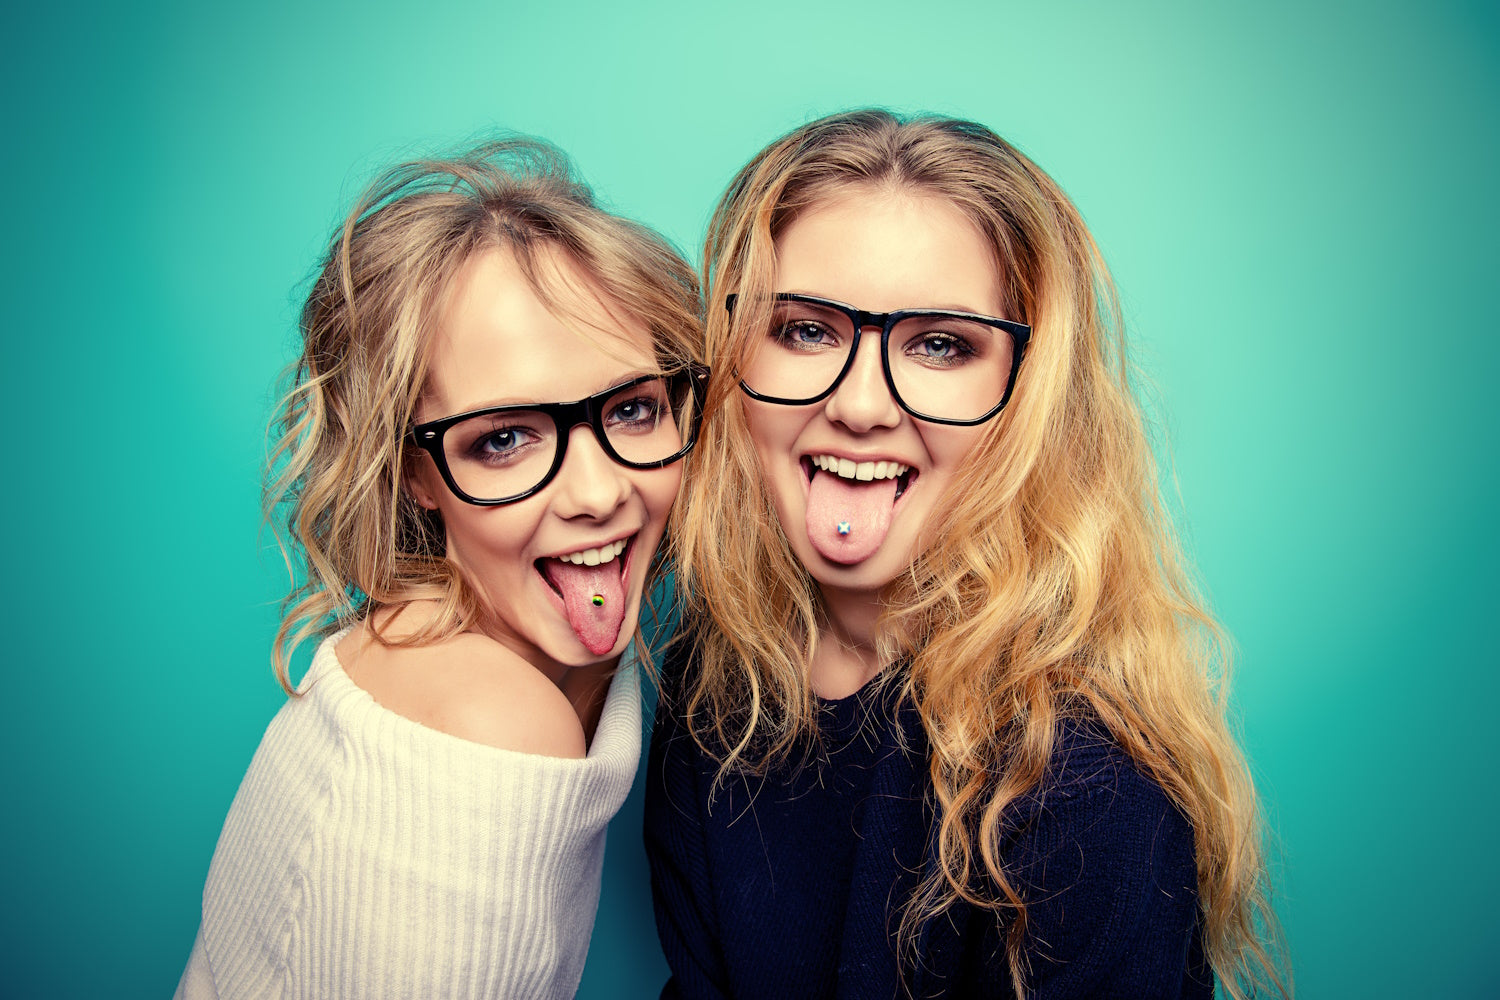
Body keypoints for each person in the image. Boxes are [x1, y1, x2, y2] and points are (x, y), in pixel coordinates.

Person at [645, 110, 1287, 998]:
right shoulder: (721, 684)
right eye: (805, 330)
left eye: (941, 345)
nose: (861, 404)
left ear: (1025, 399)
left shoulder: (1082, 785)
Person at [177, 139, 705, 1000]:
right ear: (415, 472)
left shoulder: (441, 648)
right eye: (503, 438)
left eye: (632, 409)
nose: (598, 492)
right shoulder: (487, 717)